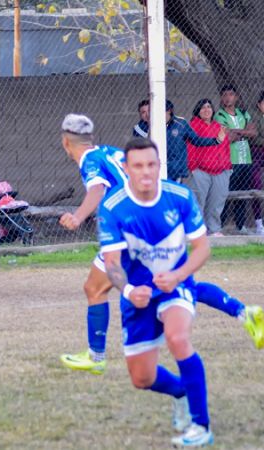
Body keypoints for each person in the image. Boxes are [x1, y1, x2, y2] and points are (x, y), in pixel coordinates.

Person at [58, 114, 263, 375]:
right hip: (153, 219)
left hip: (131, 229)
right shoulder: (108, 152)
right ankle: (245, 313)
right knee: (174, 286)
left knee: (97, 288)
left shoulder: (88, 161)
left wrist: (77, 217)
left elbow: (97, 189)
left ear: (66, 143)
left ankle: (96, 356)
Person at [99, 137, 214, 446]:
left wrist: (178, 275)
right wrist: (128, 291)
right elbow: (111, 265)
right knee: (142, 379)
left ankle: (201, 425)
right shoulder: (112, 207)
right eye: (138, 166)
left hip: (177, 285)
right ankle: (179, 391)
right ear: (126, 168)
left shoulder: (180, 196)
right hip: (138, 294)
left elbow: (202, 248)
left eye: (151, 164)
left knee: (178, 338)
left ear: (159, 165)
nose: (146, 172)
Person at [214, 84, 260, 233]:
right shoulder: (219, 115)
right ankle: (220, 226)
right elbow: (228, 137)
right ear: (222, 98)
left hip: (245, 160)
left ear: (236, 97)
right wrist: (243, 132)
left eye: (231, 95)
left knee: (243, 194)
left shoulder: (243, 113)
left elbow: (254, 133)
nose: (228, 97)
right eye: (225, 95)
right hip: (230, 161)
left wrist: (236, 131)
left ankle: (241, 227)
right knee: (227, 194)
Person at [186, 99, 231, 237]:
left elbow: (226, 148)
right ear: (198, 111)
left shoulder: (219, 126)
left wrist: (227, 167)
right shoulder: (193, 126)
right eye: (203, 108)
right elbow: (190, 147)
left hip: (221, 171)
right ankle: (198, 231)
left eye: (209, 107)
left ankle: (214, 229)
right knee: (198, 201)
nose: (206, 110)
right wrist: (193, 168)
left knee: (216, 203)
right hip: (200, 171)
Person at [245, 90, 264, 235]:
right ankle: (258, 222)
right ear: (259, 104)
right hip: (257, 151)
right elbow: (254, 135)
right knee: (256, 183)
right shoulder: (253, 115)